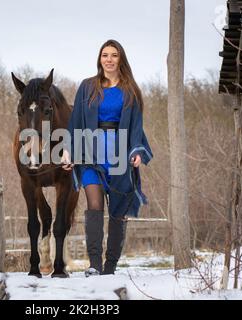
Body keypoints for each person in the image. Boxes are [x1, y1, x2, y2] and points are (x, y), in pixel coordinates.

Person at [61, 39, 153, 276]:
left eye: (114, 55)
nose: (109, 59)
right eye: (105, 55)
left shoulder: (130, 90)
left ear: (120, 59)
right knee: (94, 204)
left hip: (119, 153)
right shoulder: (87, 86)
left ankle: (110, 266)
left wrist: (137, 152)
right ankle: (95, 264)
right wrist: (69, 150)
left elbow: (136, 126)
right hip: (91, 154)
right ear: (99, 59)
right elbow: (75, 123)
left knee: (118, 213)